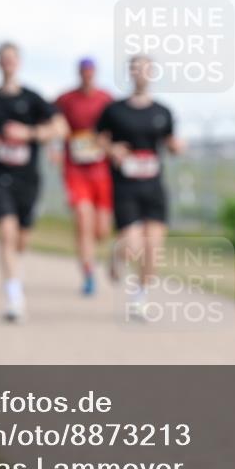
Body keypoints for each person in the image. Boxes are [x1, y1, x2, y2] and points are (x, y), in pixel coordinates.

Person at [0, 42, 68, 322]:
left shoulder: (34, 98)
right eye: (3, 59)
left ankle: (15, 268)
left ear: (19, 63)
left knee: (21, 237)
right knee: (6, 232)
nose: (8, 63)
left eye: (12, 59)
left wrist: (28, 133)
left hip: (27, 177)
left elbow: (61, 128)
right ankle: (14, 298)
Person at [96, 55, 183, 320]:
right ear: (130, 73)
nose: (140, 73)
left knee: (153, 247)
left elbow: (169, 142)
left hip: (153, 186)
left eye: (145, 68)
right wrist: (112, 149)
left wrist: (176, 147)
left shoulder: (163, 111)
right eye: (135, 68)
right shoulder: (114, 110)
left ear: (152, 72)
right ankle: (117, 257)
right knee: (133, 244)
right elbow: (96, 142)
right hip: (125, 186)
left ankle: (140, 297)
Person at [54, 58, 114, 295]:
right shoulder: (66, 99)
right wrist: (55, 143)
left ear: (95, 74)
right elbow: (53, 122)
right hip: (75, 168)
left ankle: (97, 253)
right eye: (83, 72)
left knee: (101, 230)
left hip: (101, 170)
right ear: (78, 73)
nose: (87, 76)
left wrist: (107, 142)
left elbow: (117, 127)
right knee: (83, 219)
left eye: (91, 72)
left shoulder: (106, 99)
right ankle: (88, 273)